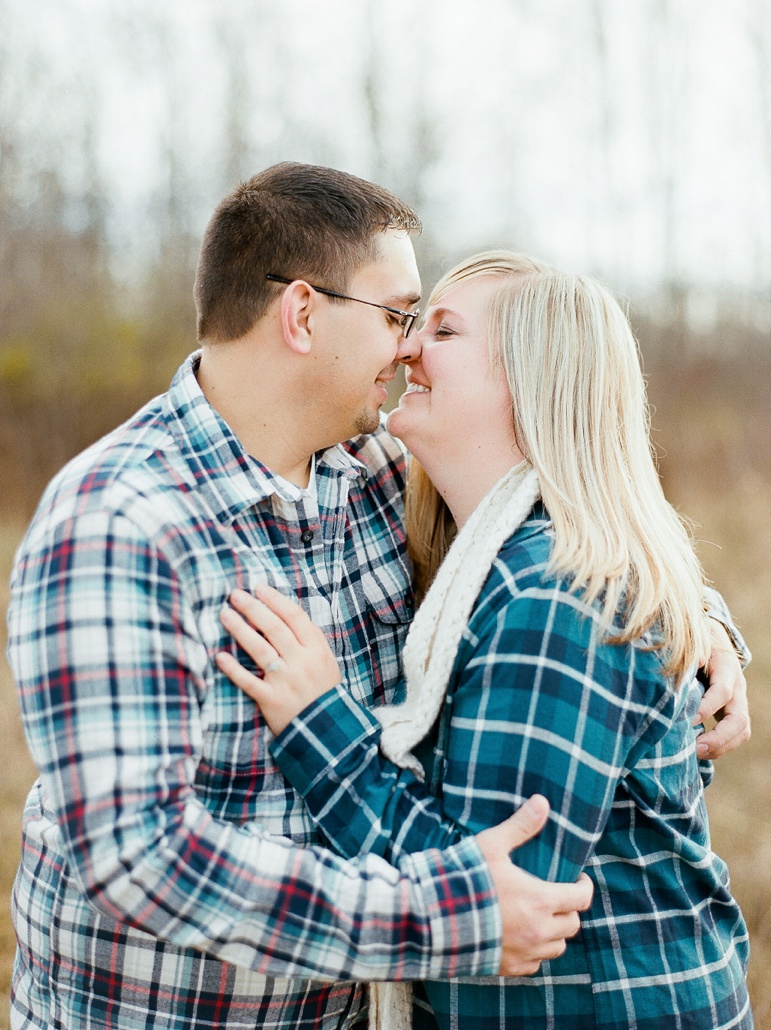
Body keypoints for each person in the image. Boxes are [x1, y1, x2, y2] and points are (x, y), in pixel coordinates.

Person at [6, 169, 599, 1030]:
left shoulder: (379, 478)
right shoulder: (119, 521)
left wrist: (705, 637)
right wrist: (441, 919)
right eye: (397, 315)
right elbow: (140, 858)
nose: (409, 349)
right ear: (302, 314)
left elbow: (565, 528)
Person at [217, 251, 753, 1028]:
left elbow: (498, 898)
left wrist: (317, 724)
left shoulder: (557, 597)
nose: (405, 349)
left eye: (442, 330)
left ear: (528, 380)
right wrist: (708, 625)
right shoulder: (498, 558)